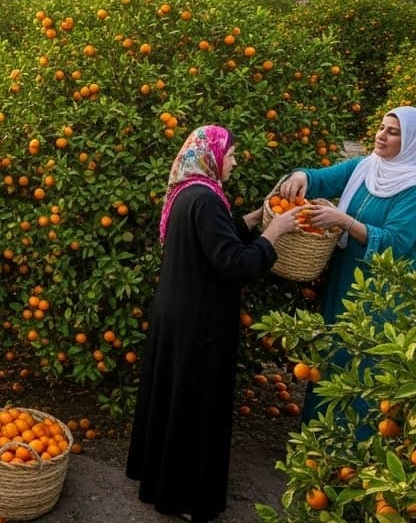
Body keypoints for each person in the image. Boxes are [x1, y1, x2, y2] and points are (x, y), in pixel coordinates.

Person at [126, 125, 298, 523]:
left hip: (178, 312)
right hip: (198, 322)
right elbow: (235, 262)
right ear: (212, 155)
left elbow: (216, 239)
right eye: (231, 154)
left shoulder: (191, 191)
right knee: (192, 405)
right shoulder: (206, 198)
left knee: (174, 398)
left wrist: (255, 218)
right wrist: (275, 232)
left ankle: (161, 481)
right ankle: (183, 498)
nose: (234, 161)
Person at [279, 106, 416, 424]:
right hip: (348, 278)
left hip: (387, 291)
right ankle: (322, 436)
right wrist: (302, 176)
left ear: (412, 141)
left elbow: (396, 242)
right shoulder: (365, 167)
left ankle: (360, 442)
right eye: (381, 128)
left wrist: (343, 220)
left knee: (370, 359)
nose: (381, 136)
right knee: (336, 351)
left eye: (393, 132)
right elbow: (320, 180)